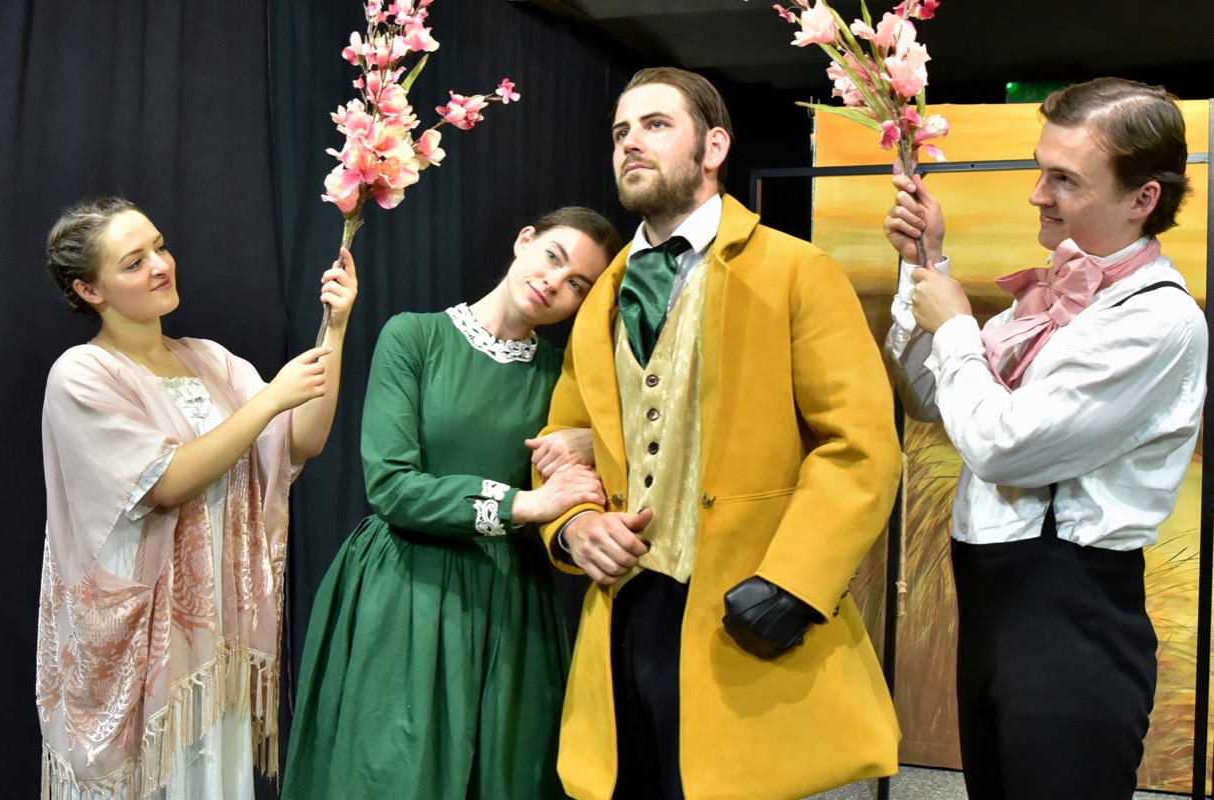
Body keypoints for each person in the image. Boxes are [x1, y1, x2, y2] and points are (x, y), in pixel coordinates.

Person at [536, 67, 902, 800]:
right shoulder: (601, 296)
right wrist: (573, 526)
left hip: (744, 604)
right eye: (620, 131)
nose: (630, 142)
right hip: (621, 612)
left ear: (713, 147)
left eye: (655, 125)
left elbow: (861, 446)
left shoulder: (796, 271)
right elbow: (564, 436)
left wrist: (794, 584)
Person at [883, 77, 1207, 800]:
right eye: (1040, 170)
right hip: (992, 604)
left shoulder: (1157, 320)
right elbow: (929, 400)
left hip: (1073, 618)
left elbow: (1003, 447)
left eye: (1064, 179)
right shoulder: (1044, 299)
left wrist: (956, 325)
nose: (1037, 194)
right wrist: (923, 264)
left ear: (1142, 198)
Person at [281, 207, 621, 800]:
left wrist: (594, 439)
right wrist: (522, 504)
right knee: (390, 775)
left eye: (577, 285)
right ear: (524, 240)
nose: (554, 283)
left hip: (509, 603)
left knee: (504, 776)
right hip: (405, 589)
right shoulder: (414, 336)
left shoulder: (563, 376)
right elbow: (392, 485)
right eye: (552, 257)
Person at [36, 196, 358, 799]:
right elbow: (167, 480)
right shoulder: (82, 373)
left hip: (216, 627)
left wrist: (335, 327)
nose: (161, 265)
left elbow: (303, 438)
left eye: (159, 247)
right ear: (89, 290)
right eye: (134, 262)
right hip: (143, 633)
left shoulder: (210, 359)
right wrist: (271, 398)